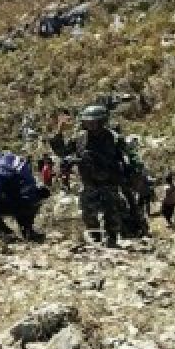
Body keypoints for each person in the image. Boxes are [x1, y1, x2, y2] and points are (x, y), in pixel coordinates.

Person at [50, 105, 131, 247]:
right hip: (89, 182)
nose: (91, 125)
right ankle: (96, 239)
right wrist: (59, 132)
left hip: (109, 182)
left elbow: (126, 158)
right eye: (88, 122)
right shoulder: (80, 138)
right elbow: (63, 152)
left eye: (94, 122)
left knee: (111, 213)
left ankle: (112, 241)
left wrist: (128, 177)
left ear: (102, 121)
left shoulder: (113, 138)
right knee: (88, 213)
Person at [0, 145, 45, 242]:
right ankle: (28, 231)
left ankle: (9, 237)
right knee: (14, 193)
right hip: (35, 198)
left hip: (24, 202)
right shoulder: (12, 157)